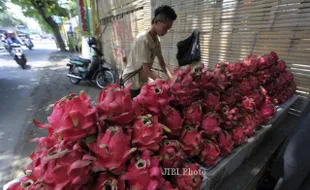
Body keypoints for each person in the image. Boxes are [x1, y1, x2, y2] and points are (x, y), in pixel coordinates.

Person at [121, 5, 177, 99]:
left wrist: (171, 79)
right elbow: (146, 70)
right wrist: (162, 82)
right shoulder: (143, 40)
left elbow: (162, 64)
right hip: (132, 82)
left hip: (142, 79)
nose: (166, 32)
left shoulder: (156, 40)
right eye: (165, 28)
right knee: (137, 109)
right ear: (155, 22)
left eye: (168, 29)